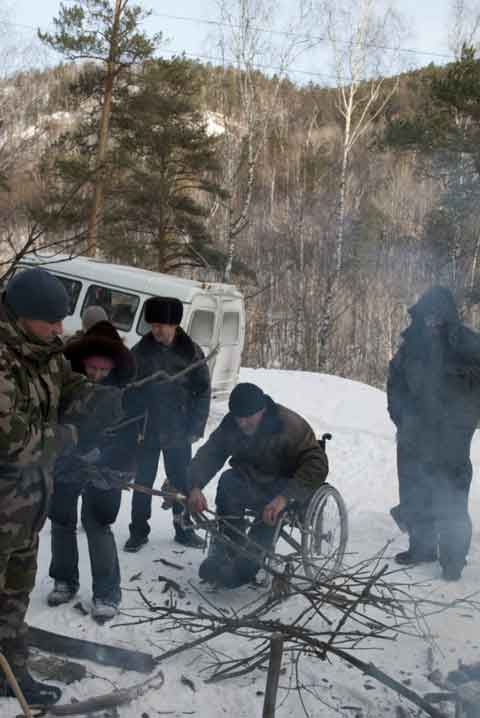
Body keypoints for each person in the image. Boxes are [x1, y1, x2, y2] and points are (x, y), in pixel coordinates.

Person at [0, 268, 124, 705]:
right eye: (52, 320)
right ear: (21, 316)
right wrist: (68, 437)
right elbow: (10, 439)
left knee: (14, 596)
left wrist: (97, 399)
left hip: (27, 506)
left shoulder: (44, 350)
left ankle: (11, 673)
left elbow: (66, 385)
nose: (60, 329)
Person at [187, 383, 329, 588]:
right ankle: (228, 547)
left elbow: (317, 463)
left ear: (261, 410)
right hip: (251, 479)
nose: (242, 423)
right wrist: (194, 486)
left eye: (248, 417)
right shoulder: (233, 423)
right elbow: (212, 452)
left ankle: (249, 561)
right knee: (228, 481)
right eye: (238, 418)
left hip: (284, 486)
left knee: (269, 509)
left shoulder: (289, 425)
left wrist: (284, 497)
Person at [387, 286, 480, 581]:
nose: (431, 322)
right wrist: (400, 416)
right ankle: (422, 548)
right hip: (414, 432)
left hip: (452, 434)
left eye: (437, 317)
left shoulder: (468, 344)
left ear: (448, 316)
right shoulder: (411, 343)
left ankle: (452, 561)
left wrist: (467, 419)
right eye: (427, 316)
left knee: (451, 494)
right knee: (416, 490)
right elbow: (395, 379)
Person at [47, 321, 136, 622]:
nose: (97, 375)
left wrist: (106, 457)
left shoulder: (127, 393)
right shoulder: (67, 383)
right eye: (91, 369)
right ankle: (63, 578)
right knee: (61, 519)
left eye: (103, 370)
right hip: (68, 461)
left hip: (107, 467)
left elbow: (131, 436)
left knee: (97, 522)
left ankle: (107, 592)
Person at [124, 296, 211, 552]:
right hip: (148, 429)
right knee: (143, 482)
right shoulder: (140, 352)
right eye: (153, 325)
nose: (156, 330)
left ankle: (183, 529)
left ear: (174, 325)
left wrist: (196, 428)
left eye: (161, 325)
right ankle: (138, 531)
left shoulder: (191, 352)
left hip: (179, 430)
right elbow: (128, 389)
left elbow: (203, 392)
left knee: (181, 482)